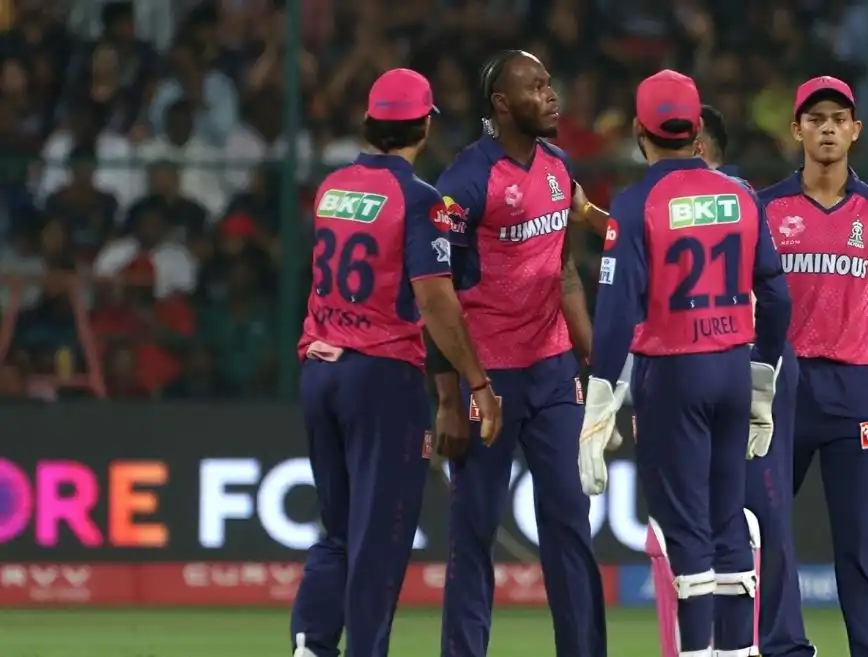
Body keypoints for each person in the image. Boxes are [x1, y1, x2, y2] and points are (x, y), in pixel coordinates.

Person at [290, 69, 501, 657]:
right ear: (425, 126)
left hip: (320, 368)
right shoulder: (420, 200)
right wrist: (476, 382)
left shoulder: (333, 187)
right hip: (380, 376)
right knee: (379, 539)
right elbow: (436, 302)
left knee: (337, 531)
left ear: (369, 122)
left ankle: (311, 646)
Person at [581, 69, 792, 657]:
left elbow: (617, 314)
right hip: (732, 369)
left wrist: (599, 405)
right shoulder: (742, 195)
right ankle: (738, 652)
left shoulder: (635, 204)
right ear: (696, 130)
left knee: (687, 530)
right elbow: (777, 297)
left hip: (672, 375)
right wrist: (762, 380)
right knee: (730, 523)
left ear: (638, 131)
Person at [425, 50, 607, 657]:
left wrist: (596, 364)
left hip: (554, 371)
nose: (552, 95)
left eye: (550, 84)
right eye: (536, 87)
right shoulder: (464, 182)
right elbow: (436, 295)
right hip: (489, 378)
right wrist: (449, 399)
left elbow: (565, 271)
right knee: (473, 533)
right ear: (502, 104)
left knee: (570, 526)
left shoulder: (558, 166)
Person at [758, 76, 868, 657]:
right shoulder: (765, 209)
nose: (827, 129)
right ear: (797, 130)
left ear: (855, 130)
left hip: (857, 392)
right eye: (815, 119)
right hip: (781, 387)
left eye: (837, 119)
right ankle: (780, 649)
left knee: (862, 548)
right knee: (765, 534)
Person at [696, 103, 811, 657]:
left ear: (697, 146)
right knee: (706, 515)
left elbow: (775, 297)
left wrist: (762, 376)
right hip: (697, 366)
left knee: (762, 508)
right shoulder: (666, 202)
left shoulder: (735, 197)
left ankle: (782, 644)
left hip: (747, 363)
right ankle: (718, 639)